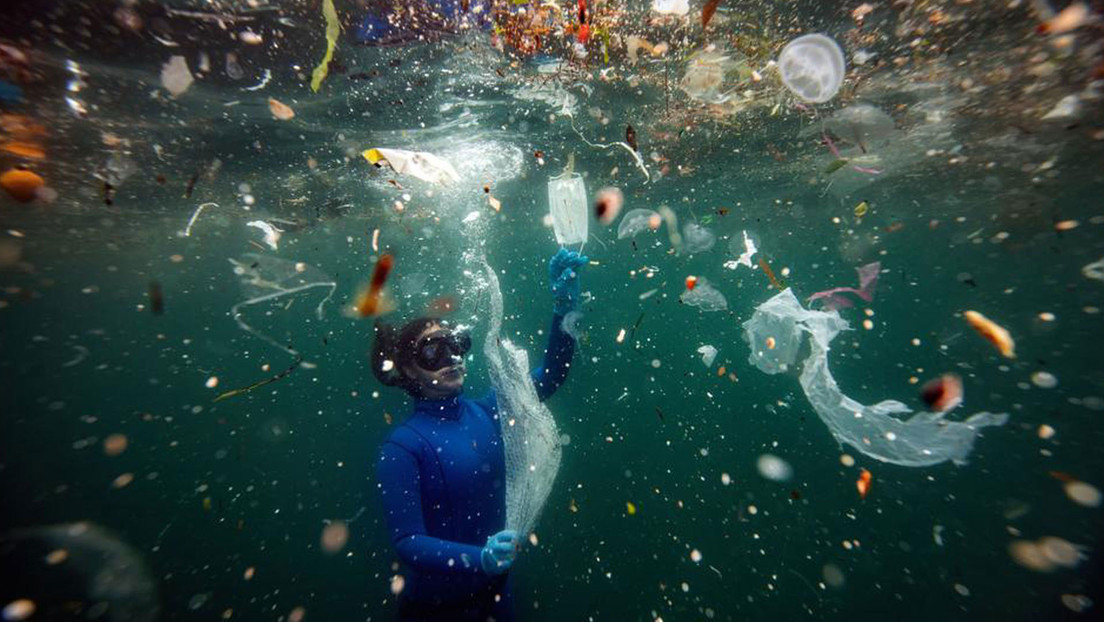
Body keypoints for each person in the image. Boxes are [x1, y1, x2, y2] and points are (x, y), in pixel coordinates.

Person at [371, 248, 588, 621]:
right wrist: (479, 559)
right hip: (434, 612)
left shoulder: (490, 412)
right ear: (407, 368)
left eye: (455, 345)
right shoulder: (402, 448)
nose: (451, 357)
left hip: (497, 598)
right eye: (433, 351)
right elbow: (407, 541)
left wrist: (564, 307)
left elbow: (552, 373)